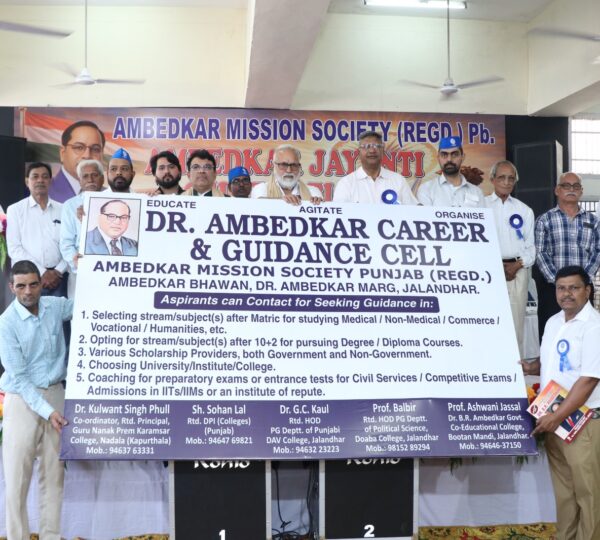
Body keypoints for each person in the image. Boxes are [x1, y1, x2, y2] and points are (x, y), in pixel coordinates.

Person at [521, 265, 600, 540]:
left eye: (574, 288)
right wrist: (531, 367)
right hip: (553, 419)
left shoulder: (594, 327)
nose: (567, 294)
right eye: (561, 288)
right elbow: (555, 362)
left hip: (583, 421)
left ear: (587, 291)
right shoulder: (554, 321)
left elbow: (588, 380)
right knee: (565, 493)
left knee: (589, 494)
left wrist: (555, 418)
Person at [0, 260, 72, 540]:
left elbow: (87, 306)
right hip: (22, 400)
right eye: (21, 286)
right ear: (11, 287)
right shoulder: (6, 324)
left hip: (56, 393)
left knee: (54, 477)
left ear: (41, 284)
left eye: (33, 284)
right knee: (17, 480)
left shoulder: (55, 307)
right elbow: (18, 378)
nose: (27, 291)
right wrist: (47, 411)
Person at [534, 172, 600, 336]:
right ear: (557, 190)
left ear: (581, 191)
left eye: (576, 186)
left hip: (583, 289)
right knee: (551, 333)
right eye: (566, 186)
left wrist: (583, 280)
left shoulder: (593, 221)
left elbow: (597, 252)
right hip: (552, 289)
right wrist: (559, 282)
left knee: (585, 334)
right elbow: (541, 253)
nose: (571, 189)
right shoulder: (545, 220)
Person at [485, 160, 535, 358]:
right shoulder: (481, 206)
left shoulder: (525, 210)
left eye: (511, 178)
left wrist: (517, 265)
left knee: (515, 325)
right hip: (487, 271)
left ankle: (515, 368)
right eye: (501, 177)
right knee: (487, 321)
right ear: (492, 179)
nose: (506, 182)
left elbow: (531, 247)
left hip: (517, 271)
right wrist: (494, 266)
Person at [6, 162, 68, 296]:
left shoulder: (64, 209)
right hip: (27, 279)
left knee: (60, 310)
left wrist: (58, 271)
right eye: (35, 176)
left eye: (45, 177)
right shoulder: (15, 210)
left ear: (50, 181)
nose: (40, 180)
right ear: (27, 181)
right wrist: (42, 272)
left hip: (59, 278)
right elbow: (14, 248)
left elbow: (70, 245)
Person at [333, 130, 418, 205]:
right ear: (359, 151)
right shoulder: (346, 183)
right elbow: (340, 214)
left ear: (383, 150)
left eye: (377, 146)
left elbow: (413, 211)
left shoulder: (398, 180)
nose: (372, 150)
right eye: (366, 146)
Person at [59, 159, 105, 275]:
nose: (90, 180)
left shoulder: (115, 201)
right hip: (81, 270)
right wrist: (75, 260)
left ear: (102, 178)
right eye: (85, 176)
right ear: (79, 181)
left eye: (94, 175)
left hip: (109, 268)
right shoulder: (70, 205)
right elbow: (66, 242)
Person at [417, 136, 485, 207]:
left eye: (454, 154)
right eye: (444, 155)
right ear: (438, 158)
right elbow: (427, 214)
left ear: (463, 157)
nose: (449, 159)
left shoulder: (476, 192)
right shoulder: (426, 189)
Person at [49, 120, 105, 203]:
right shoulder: (44, 192)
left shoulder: (110, 195)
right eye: (79, 147)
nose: (87, 156)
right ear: (63, 153)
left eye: (95, 149)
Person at [251, 144, 322, 204]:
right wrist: (283, 201)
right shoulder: (261, 189)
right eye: (283, 165)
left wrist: (319, 204)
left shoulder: (313, 192)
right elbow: (259, 205)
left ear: (299, 167)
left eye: (294, 165)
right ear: (273, 166)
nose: (289, 170)